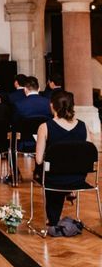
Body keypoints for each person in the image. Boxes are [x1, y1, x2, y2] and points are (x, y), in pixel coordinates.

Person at [35, 91, 88, 229]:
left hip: (54, 179)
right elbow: (88, 153)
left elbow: (39, 159)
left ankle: (53, 219)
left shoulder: (45, 127)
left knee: (47, 168)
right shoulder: (83, 126)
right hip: (78, 178)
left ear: (52, 106)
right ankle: (68, 192)